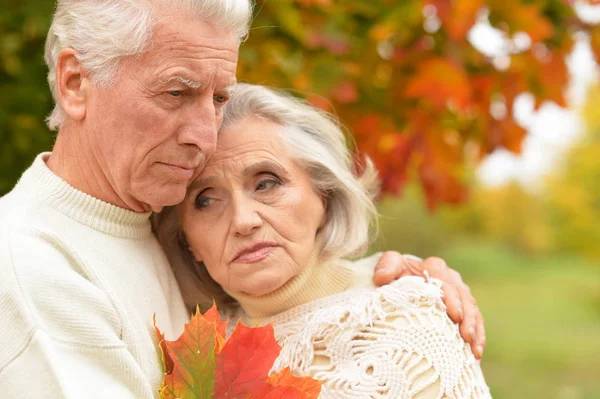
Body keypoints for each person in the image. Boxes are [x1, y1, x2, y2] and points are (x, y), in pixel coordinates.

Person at [0, 1, 484, 398]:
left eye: (217, 98)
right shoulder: (30, 266)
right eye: (175, 92)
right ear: (74, 83)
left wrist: (385, 283)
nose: (205, 136)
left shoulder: (146, 218)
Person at [154, 83, 492, 398]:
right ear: (188, 241)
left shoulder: (407, 320)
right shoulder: (187, 344)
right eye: (206, 200)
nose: (243, 221)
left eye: (266, 183)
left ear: (325, 196)